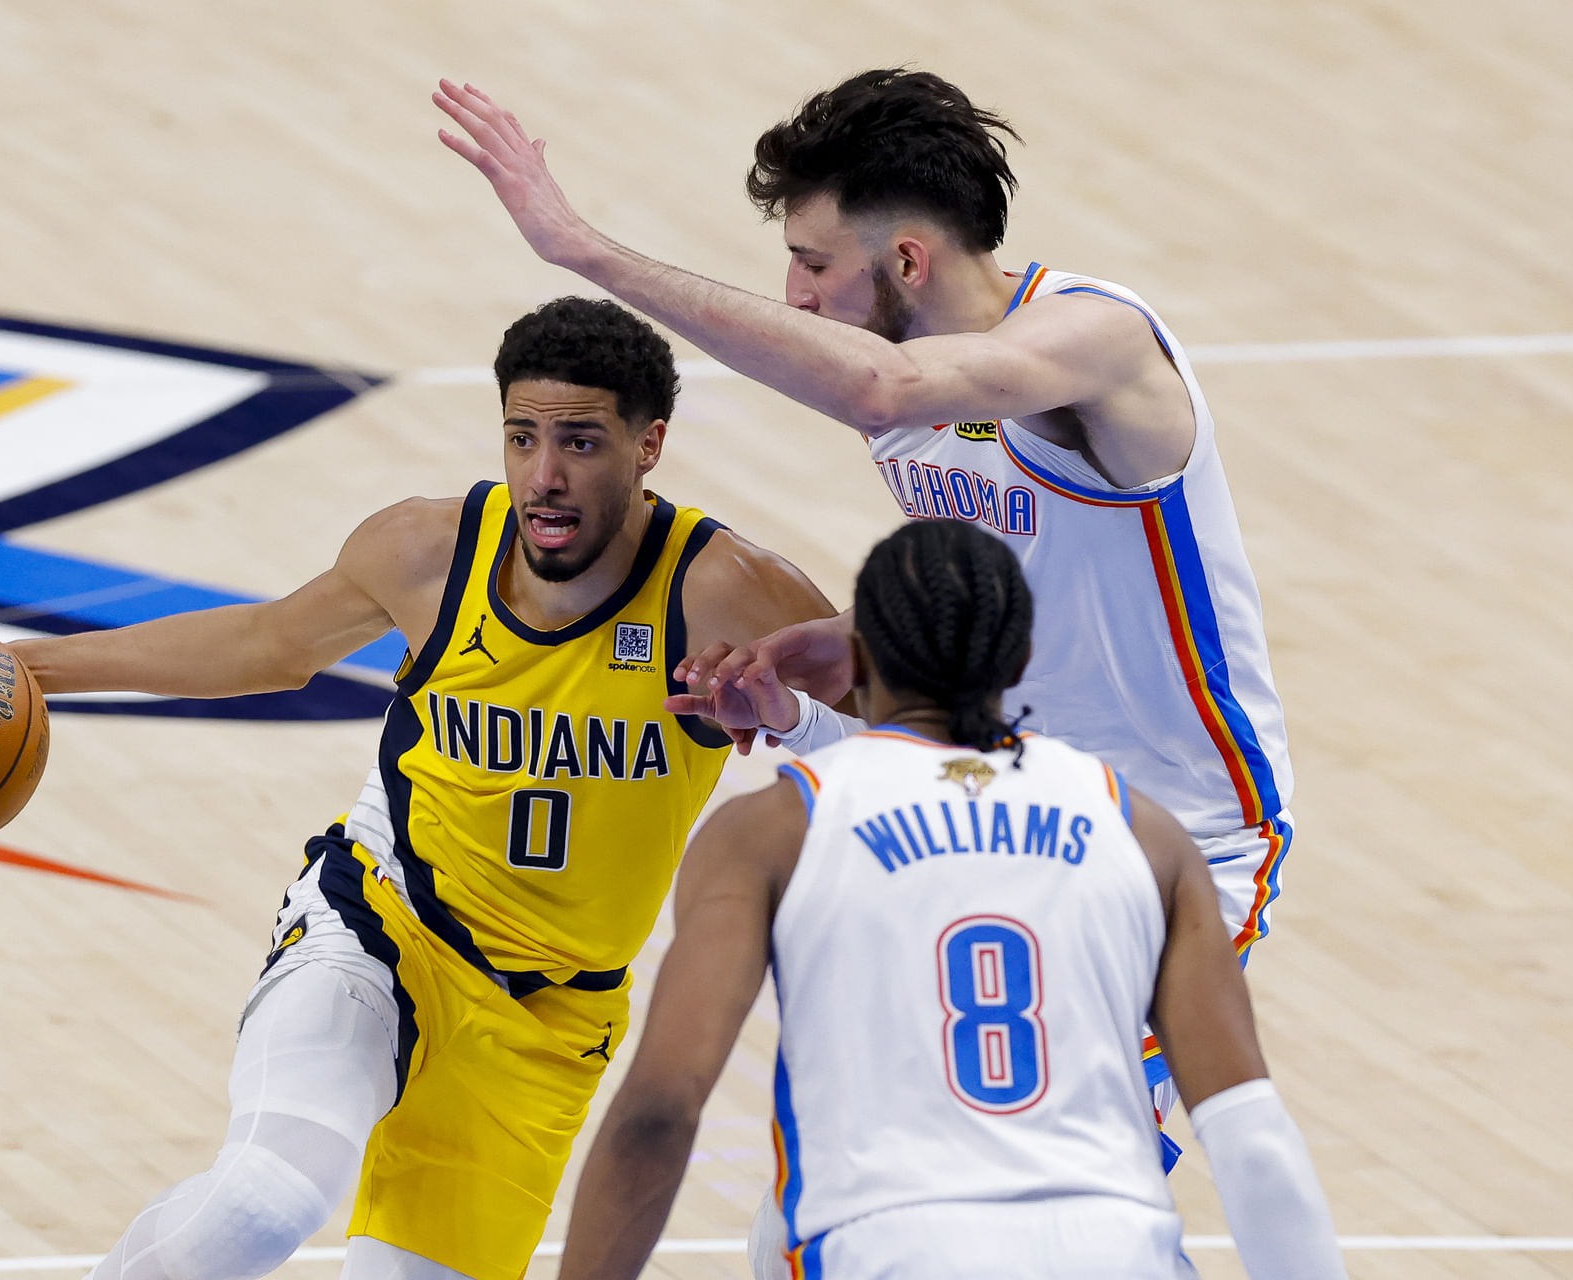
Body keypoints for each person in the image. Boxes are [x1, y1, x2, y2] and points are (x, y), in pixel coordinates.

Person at [436, 66, 1294, 1142]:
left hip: (1182, 832)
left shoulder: (1095, 340)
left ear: (907, 261)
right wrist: (845, 648)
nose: (795, 296)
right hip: (1005, 811)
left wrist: (584, 250)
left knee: (1061, 1177)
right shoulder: (897, 371)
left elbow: (882, 391)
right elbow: (1021, 570)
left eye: (811, 264)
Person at [10, 297, 837, 1280]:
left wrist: (792, 720)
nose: (544, 475)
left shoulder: (726, 589)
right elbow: (265, 644)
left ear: (648, 443)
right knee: (263, 1198)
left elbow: (893, 729)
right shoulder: (428, 551)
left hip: (549, 1018)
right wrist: (32, 668)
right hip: (381, 922)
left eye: (580, 441)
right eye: (522, 436)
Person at [557, 519, 1343, 1280]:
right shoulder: (1147, 834)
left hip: (891, 1245)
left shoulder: (767, 833)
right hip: (1111, 1248)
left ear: (857, 662)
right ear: (1023, 657)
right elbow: (1252, 1137)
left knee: (778, 1233)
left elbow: (659, 1111)